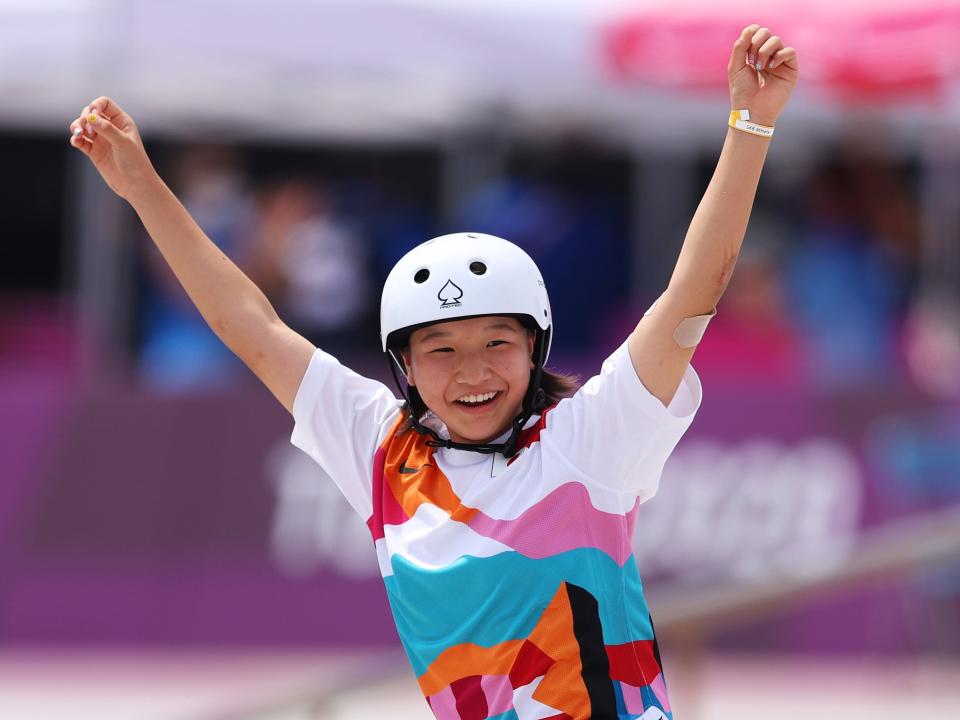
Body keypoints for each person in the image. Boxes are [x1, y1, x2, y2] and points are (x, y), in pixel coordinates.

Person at [68, 23, 797, 720]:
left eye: (496, 344)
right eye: (441, 350)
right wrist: (142, 189)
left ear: (537, 349)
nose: (472, 372)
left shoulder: (591, 438)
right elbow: (249, 327)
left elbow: (692, 293)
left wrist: (750, 124)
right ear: (405, 369)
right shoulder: (381, 450)